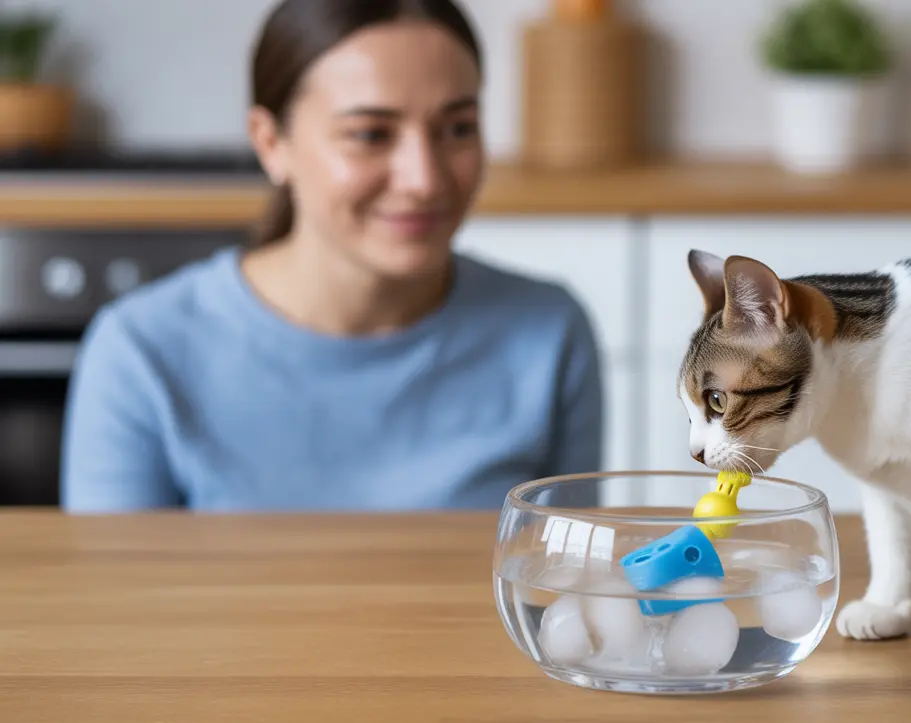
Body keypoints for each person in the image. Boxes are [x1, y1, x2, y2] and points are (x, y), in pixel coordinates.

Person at [59, 0, 604, 512]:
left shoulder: (550, 333)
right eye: (370, 134)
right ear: (271, 142)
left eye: (457, 129)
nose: (424, 178)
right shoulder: (140, 355)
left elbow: (561, 590)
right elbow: (114, 606)